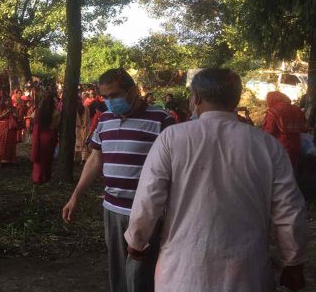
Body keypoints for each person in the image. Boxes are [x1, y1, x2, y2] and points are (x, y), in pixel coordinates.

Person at [125, 68, 308, 292]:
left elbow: (148, 197)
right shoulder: (267, 145)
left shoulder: (172, 138)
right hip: (247, 274)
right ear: (236, 100)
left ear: (196, 98)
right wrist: (293, 261)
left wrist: (136, 240)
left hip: (183, 274)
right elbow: (289, 209)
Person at [62, 68, 175, 292]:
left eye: (115, 95)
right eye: (105, 97)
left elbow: (174, 167)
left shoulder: (162, 119)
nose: (110, 101)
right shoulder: (105, 120)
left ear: (132, 91)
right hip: (112, 209)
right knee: (118, 270)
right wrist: (75, 196)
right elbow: (95, 160)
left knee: (142, 273)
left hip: (146, 212)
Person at [263, 91, 307, 168]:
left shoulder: (273, 112)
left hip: (280, 148)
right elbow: (304, 128)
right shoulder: (296, 109)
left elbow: (267, 133)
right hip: (296, 147)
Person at [30, 91, 60, 184]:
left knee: (39, 156)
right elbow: (56, 125)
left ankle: (37, 177)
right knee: (48, 158)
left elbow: (32, 117)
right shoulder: (56, 112)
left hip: (41, 135)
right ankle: (45, 176)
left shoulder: (39, 111)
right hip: (51, 137)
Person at [0, 98, 20, 167]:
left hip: (11, 128)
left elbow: (18, 116)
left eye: (9, 101)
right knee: (2, 143)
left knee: (11, 143)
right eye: (6, 101)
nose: (8, 102)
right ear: (3, 101)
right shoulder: (0, 108)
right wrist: (6, 113)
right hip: (3, 128)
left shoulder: (14, 108)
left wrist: (14, 114)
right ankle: (0, 160)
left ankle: (11, 159)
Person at [75, 97, 91, 163]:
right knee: (83, 143)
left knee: (78, 143)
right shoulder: (86, 108)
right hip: (84, 128)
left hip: (78, 128)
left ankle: (78, 158)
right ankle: (83, 159)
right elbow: (88, 119)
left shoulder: (74, 109)